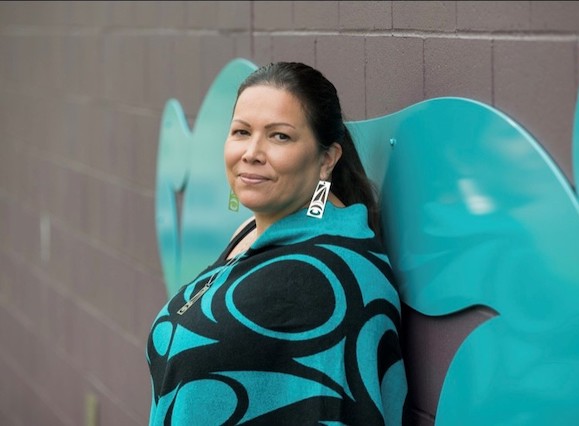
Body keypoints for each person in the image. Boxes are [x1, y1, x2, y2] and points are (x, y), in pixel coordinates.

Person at [147, 62, 408, 425]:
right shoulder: (254, 233)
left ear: (327, 159)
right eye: (241, 132)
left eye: (279, 136)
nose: (251, 152)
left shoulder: (331, 272)